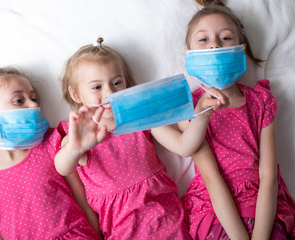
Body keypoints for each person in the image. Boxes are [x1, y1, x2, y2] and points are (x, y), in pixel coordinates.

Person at [55, 37, 228, 239]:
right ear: (76, 94)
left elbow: (184, 146)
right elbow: (62, 166)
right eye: (96, 87)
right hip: (123, 230)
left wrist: (202, 113)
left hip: (166, 220)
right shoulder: (79, 134)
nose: (109, 92)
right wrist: (74, 149)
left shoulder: (141, 119)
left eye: (117, 83)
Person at [180, 1, 295, 239]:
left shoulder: (261, 101)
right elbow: (212, 179)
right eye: (203, 40)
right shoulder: (189, 109)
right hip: (214, 211)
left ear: (241, 50)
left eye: (225, 38)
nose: (214, 45)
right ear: (187, 52)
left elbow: (269, 175)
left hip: (264, 206)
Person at [0, 53, 102, 239]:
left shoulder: (54, 147)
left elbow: (84, 203)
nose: (33, 106)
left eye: (34, 99)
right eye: (19, 101)